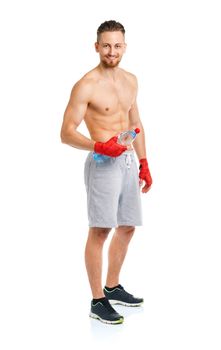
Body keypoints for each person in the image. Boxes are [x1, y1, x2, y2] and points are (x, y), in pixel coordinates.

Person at [60, 20, 152, 325]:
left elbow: (136, 122)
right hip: (102, 164)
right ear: (96, 46)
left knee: (127, 226)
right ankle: (97, 300)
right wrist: (99, 147)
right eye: (106, 45)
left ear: (124, 46)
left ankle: (112, 287)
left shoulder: (131, 80)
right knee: (100, 230)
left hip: (127, 162)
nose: (112, 51)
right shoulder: (86, 84)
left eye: (117, 45)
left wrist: (144, 161)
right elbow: (66, 133)